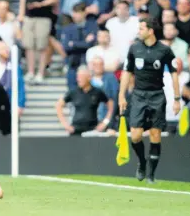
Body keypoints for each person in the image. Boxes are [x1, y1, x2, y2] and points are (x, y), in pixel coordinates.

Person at [119, 18, 181, 183]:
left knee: (155, 134)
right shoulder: (134, 49)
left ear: (150, 31)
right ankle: (142, 161)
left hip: (157, 95)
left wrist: (177, 98)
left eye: (141, 28)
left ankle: (151, 175)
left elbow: (174, 73)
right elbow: (126, 72)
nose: (139, 31)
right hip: (138, 95)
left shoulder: (165, 51)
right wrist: (121, 96)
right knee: (136, 136)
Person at [56, 66, 114, 136]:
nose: (78, 79)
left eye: (81, 77)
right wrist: (65, 125)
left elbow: (111, 105)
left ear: (89, 78)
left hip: (93, 129)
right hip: (76, 129)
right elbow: (59, 105)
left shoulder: (97, 92)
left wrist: (105, 122)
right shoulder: (73, 92)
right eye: (77, 77)